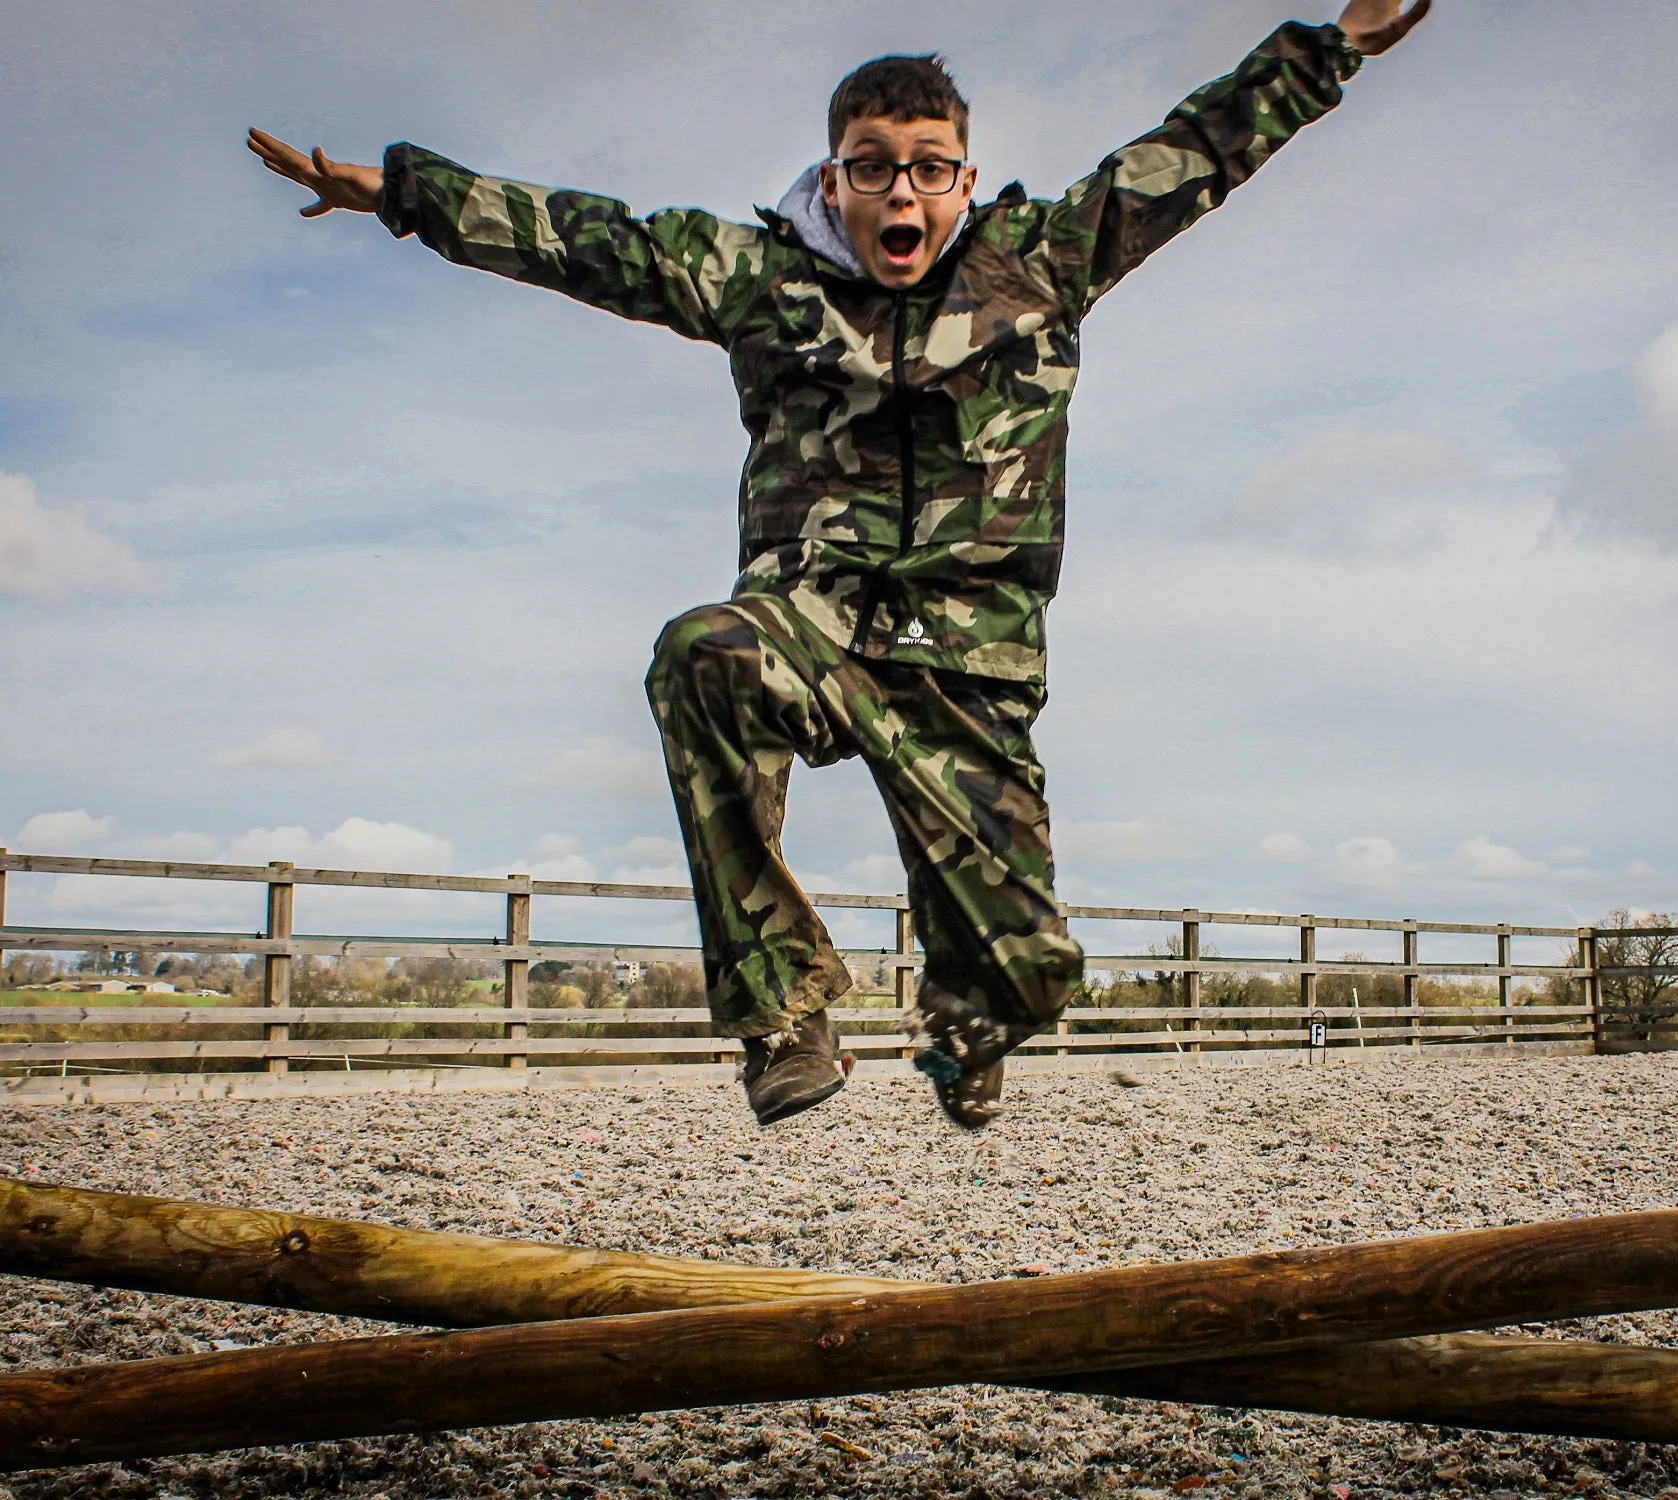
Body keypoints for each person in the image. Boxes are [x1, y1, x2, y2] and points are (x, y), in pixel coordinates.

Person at [249, 0, 1431, 1131]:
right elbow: (585, 240)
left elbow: (1197, 150)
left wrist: (1339, 45)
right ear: (834, 182)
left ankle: (972, 1024)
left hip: (969, 659)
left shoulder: (1040, 262)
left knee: (1033, 977)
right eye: (873, 166)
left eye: (928, 166)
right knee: (700, 655)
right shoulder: (760, 281)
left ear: (964, 182)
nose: (901, 189)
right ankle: (782, 1014)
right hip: (807, 619)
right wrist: (401, 193)